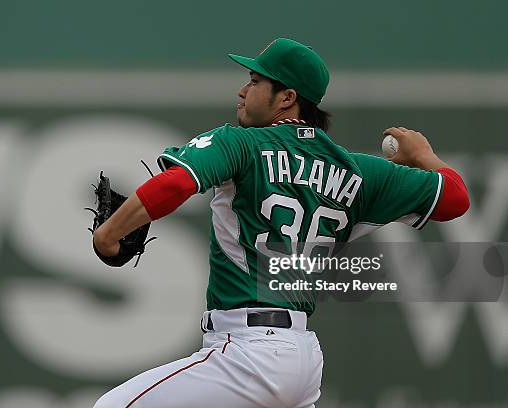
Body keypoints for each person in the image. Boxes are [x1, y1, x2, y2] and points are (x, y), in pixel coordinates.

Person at [91, 38, 470, 408]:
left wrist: (109, 234)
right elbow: (455, 199)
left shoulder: (241, 144)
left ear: (287, 98)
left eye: (256, 82)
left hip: (246, 351)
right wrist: (425, 155)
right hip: (302, 358)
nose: (243, 91)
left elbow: (176, 183)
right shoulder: (361, 172)